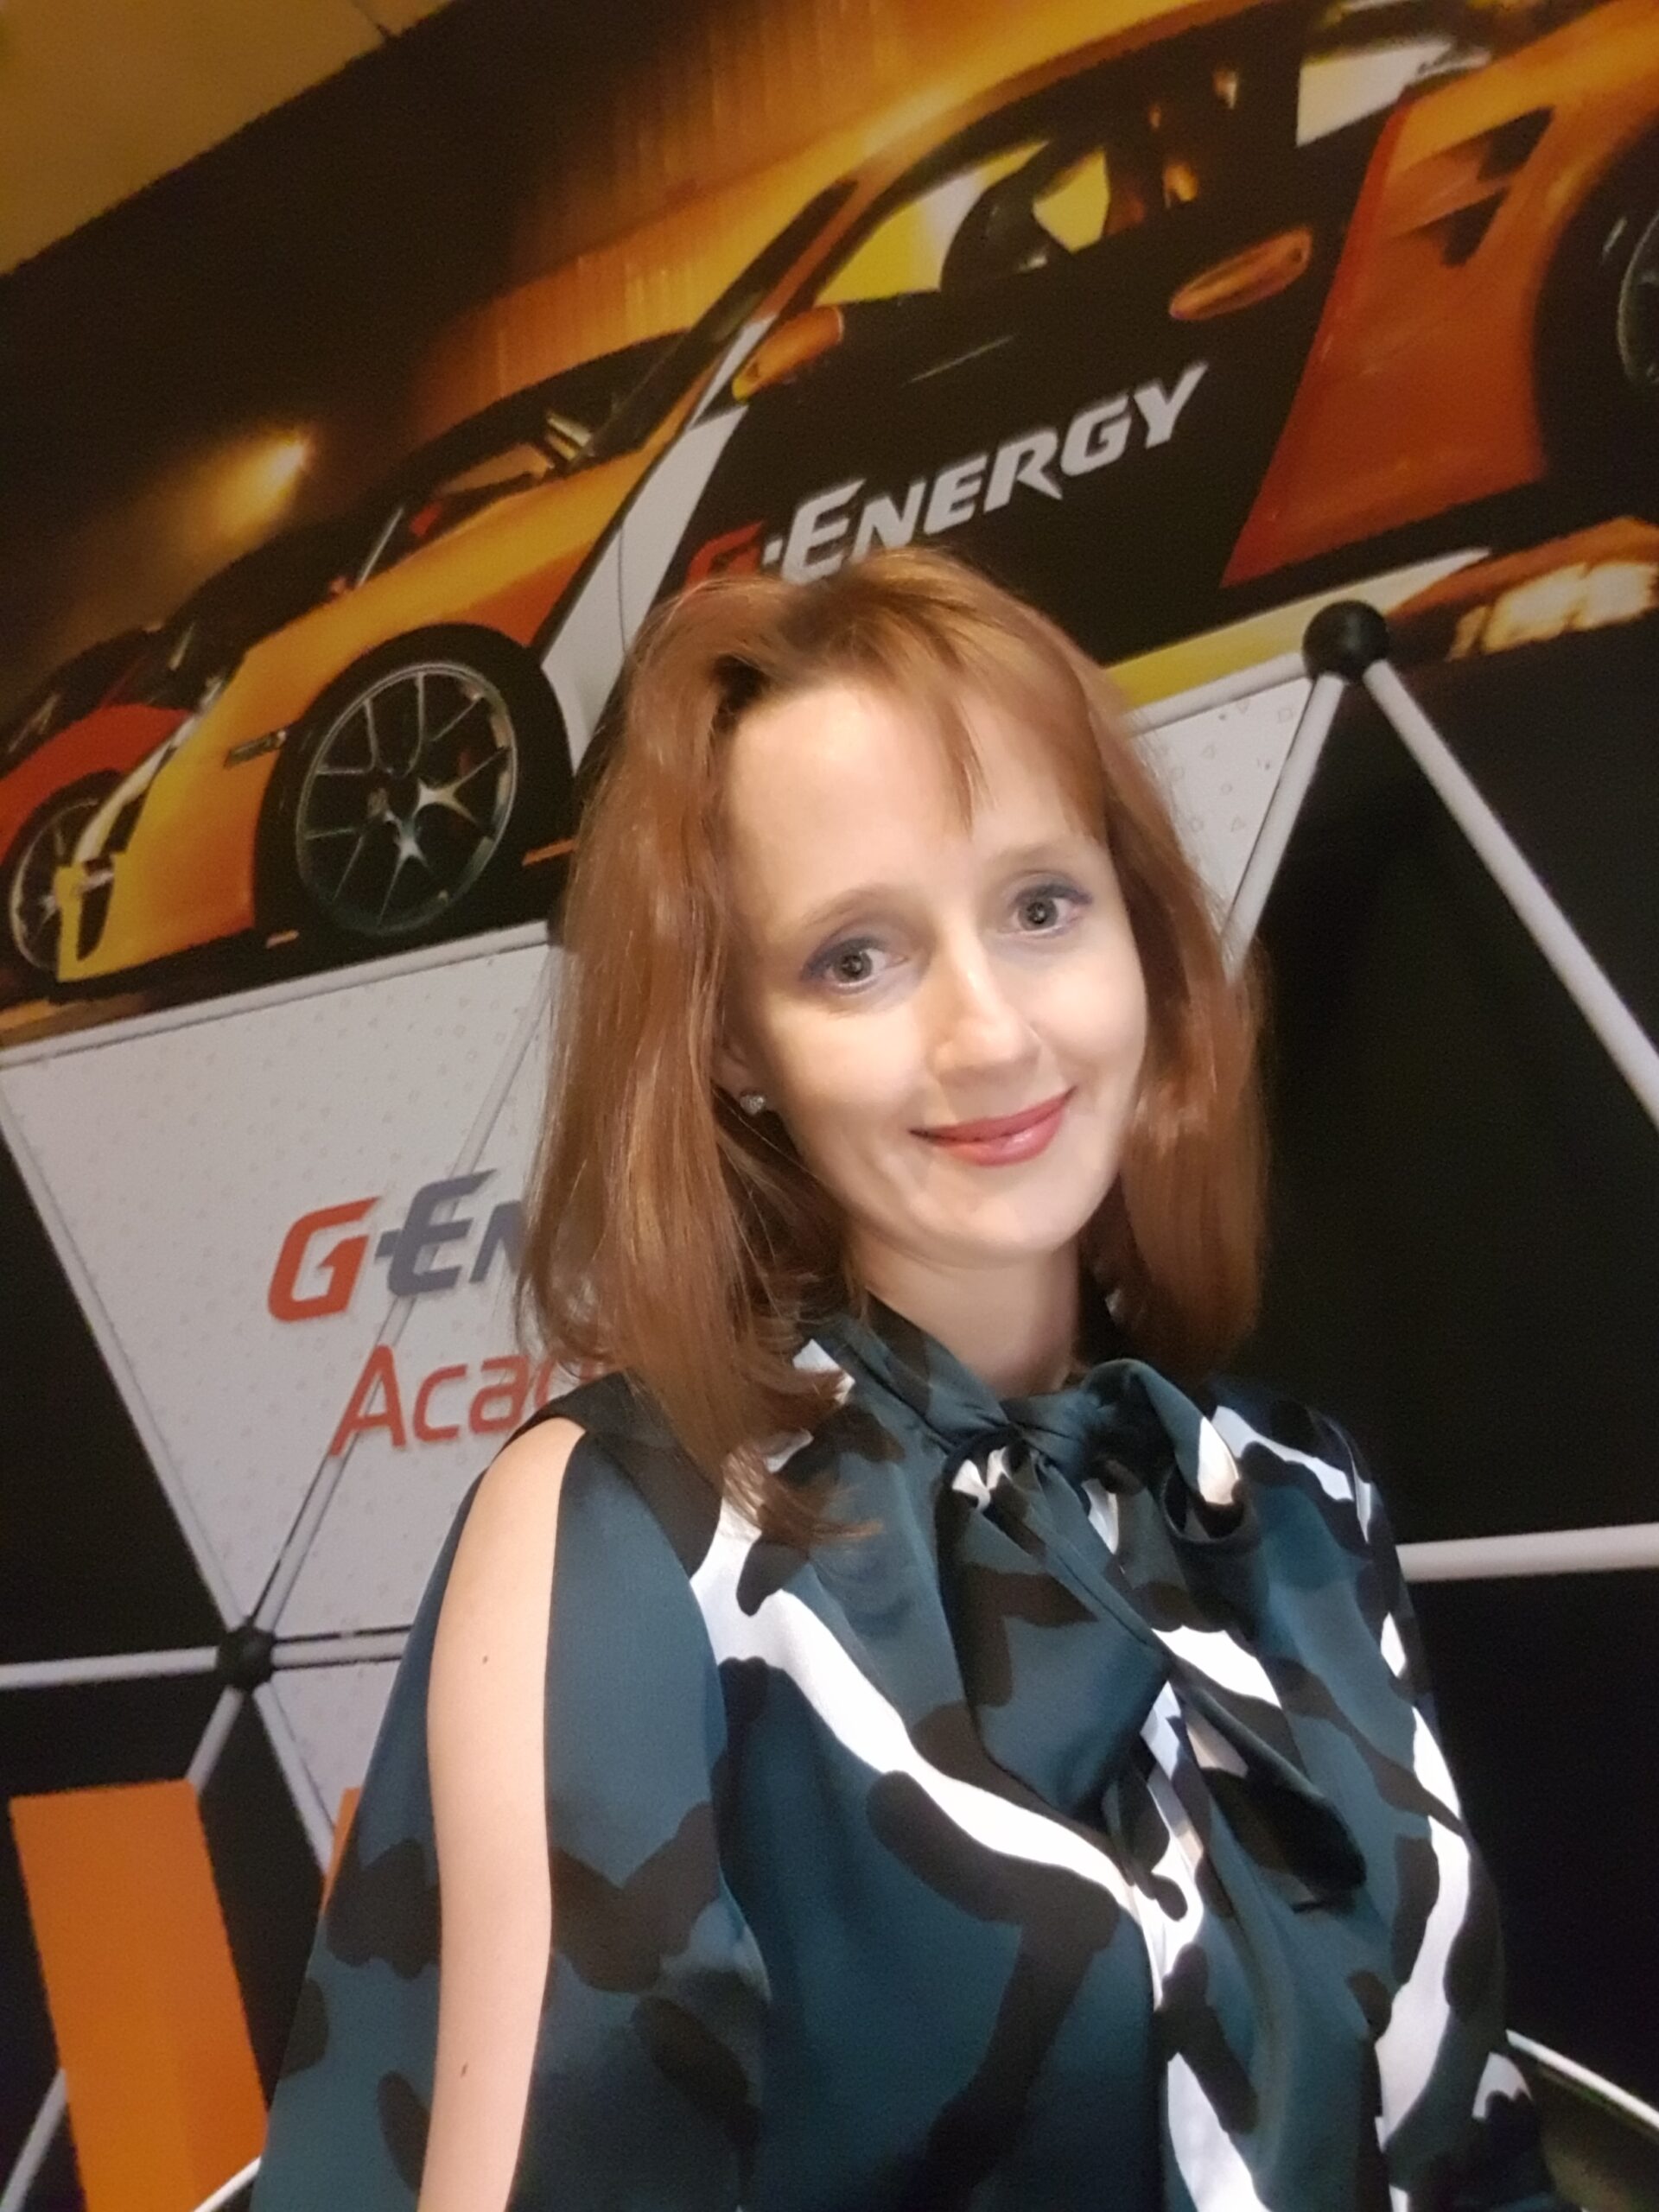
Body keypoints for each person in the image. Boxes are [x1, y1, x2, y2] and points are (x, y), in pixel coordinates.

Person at [252, 548, 1570, 2211]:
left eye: (1040, 907)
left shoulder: (1296, 1500)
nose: (992, 1035)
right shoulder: (627, 1523)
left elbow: (1454, 2121)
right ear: (735, 1041)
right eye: (857, 958)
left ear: (1140, 939)